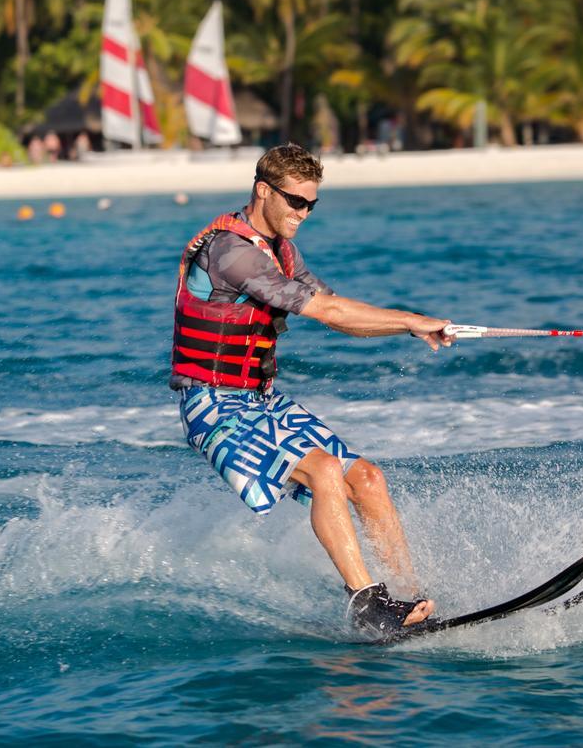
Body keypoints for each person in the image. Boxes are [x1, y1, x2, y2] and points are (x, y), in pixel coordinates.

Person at [170, 142, 456, 637]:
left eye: (312, 204)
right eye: (295, 201)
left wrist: (413, 328)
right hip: (212, 405)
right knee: (323, 470)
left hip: (260, 402)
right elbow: (327, 312)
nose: (303, 213)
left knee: (366, 478)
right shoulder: (230, 252)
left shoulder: (281, 248)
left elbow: (336, 311)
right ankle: (367, 606)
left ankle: (411, 599)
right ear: (263, 191)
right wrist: (410, 318)